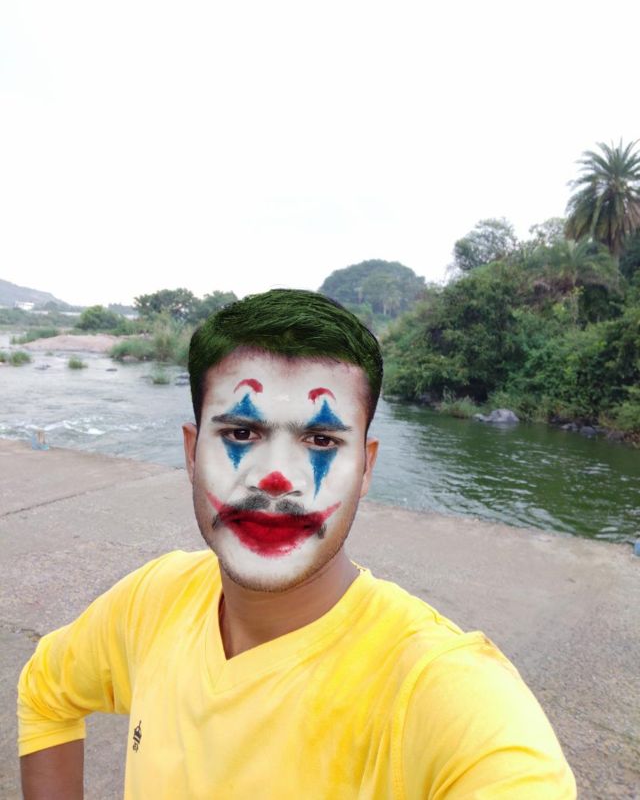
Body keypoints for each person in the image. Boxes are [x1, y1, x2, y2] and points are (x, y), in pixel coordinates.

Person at [18, 289, 576, 799]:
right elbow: (45, 693)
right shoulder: (153, 602)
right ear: (191, 452)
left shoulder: (441, 692)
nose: (276, 478)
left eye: (320, 440)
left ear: (366, 468)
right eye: (241, 433)